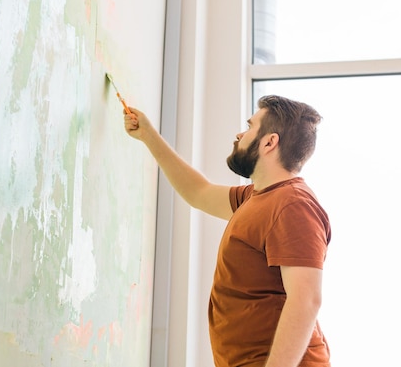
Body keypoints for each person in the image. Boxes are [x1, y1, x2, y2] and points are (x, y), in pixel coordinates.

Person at [124, 95, 331, 367]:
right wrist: (148, 135)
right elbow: (199, 192)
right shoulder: (257, 198)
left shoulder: (293, 204)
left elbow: (306, 301)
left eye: (250, 127)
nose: (239, 134)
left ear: (270, 142)